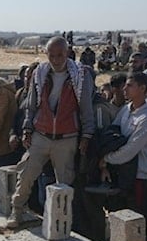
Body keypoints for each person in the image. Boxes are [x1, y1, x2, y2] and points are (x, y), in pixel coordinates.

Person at [6, 37, 95, 228]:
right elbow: (31, 105)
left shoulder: (80, 74)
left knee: (64, 185)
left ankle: (62, 223)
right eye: (52, 55)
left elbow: (86, 107)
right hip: (41, 135)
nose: (56, 60)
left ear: (67, 52)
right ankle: (17, 211)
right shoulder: (40, 73)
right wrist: (27, 128)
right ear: (46, 54)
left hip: (67, 137)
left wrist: (87, 135)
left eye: (60, 55)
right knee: (27, 174)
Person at [99, 72, 147, 215]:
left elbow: (130, 150)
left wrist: (105, 160)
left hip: (138, 176)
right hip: (120, 173)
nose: (125, 89)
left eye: (130, 85)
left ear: (142, 88)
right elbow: (112, 133)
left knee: (136, 221)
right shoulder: (127, 109)